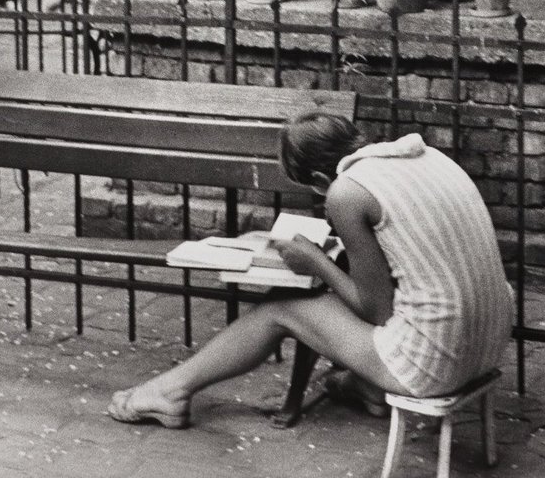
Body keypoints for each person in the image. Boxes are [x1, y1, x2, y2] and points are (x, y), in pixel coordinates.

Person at [107, 112, 513, 429]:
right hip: (490, 342)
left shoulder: (348, 190)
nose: (322, 197)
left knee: (281, 306)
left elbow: (376, 311)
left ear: (321, 178)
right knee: (333, 306)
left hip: (435, 364)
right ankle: (367, 386)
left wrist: (315, 261)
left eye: (315, 189)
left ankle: (170, 391)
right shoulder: (425, 156)